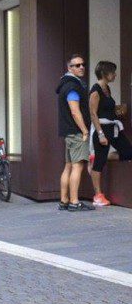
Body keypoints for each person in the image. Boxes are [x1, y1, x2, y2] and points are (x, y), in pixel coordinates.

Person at [88, 60, 132, 207]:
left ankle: (102, 155)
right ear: (104, 73)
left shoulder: (107, 89)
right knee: (99, 163)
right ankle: (98, 195)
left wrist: (118, 110)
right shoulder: (95, 90)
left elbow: (107, 109)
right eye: (112, 72)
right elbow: (93, 114)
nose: (115, 74)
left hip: (113, 127)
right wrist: (100, 134)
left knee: (128, 151)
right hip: (102, 128)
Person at [56, 54, 95, 212]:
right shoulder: (72, 86)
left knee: (68, 166)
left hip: (68, 132)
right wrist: (85, 130)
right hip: (77, 132)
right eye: (77, 65)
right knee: (77, 167)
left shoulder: (65, 84)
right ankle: (74, 202)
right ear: (69, 68)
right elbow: (75, 111)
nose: (81, 67)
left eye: (82, 64)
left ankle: (64, 200)